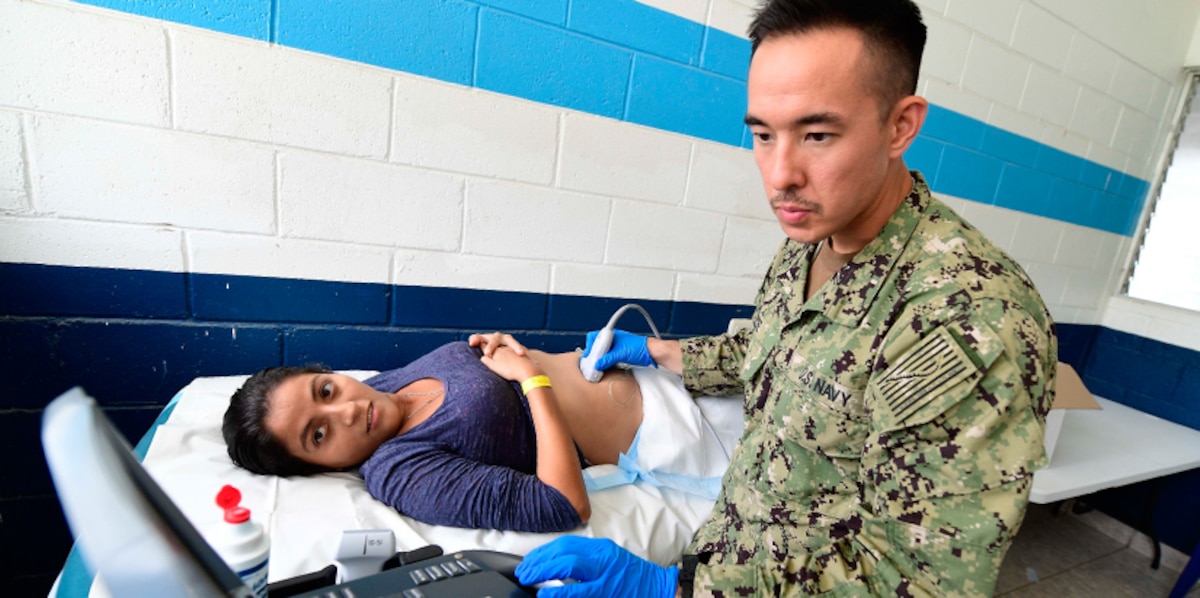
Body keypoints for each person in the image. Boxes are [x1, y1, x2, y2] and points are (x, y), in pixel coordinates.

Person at [514, 0, 1058, 595]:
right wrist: (664, 352)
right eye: (763, 134)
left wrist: (677, 593)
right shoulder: (812, 239)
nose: (779, 176)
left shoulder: (964, 319)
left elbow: (919, 581)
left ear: (901, 125)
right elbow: (781, 352)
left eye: (817, 134)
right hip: (728, 553)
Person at [223, 333, 650, 533]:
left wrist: (495, 346)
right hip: (665, 429)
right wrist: (532, 380)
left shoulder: (382, 385)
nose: (348, 411)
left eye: (326, 390)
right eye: (318, 435)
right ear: (314, 466)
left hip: (646, 370)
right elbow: (564, 506)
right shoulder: (400, 472)